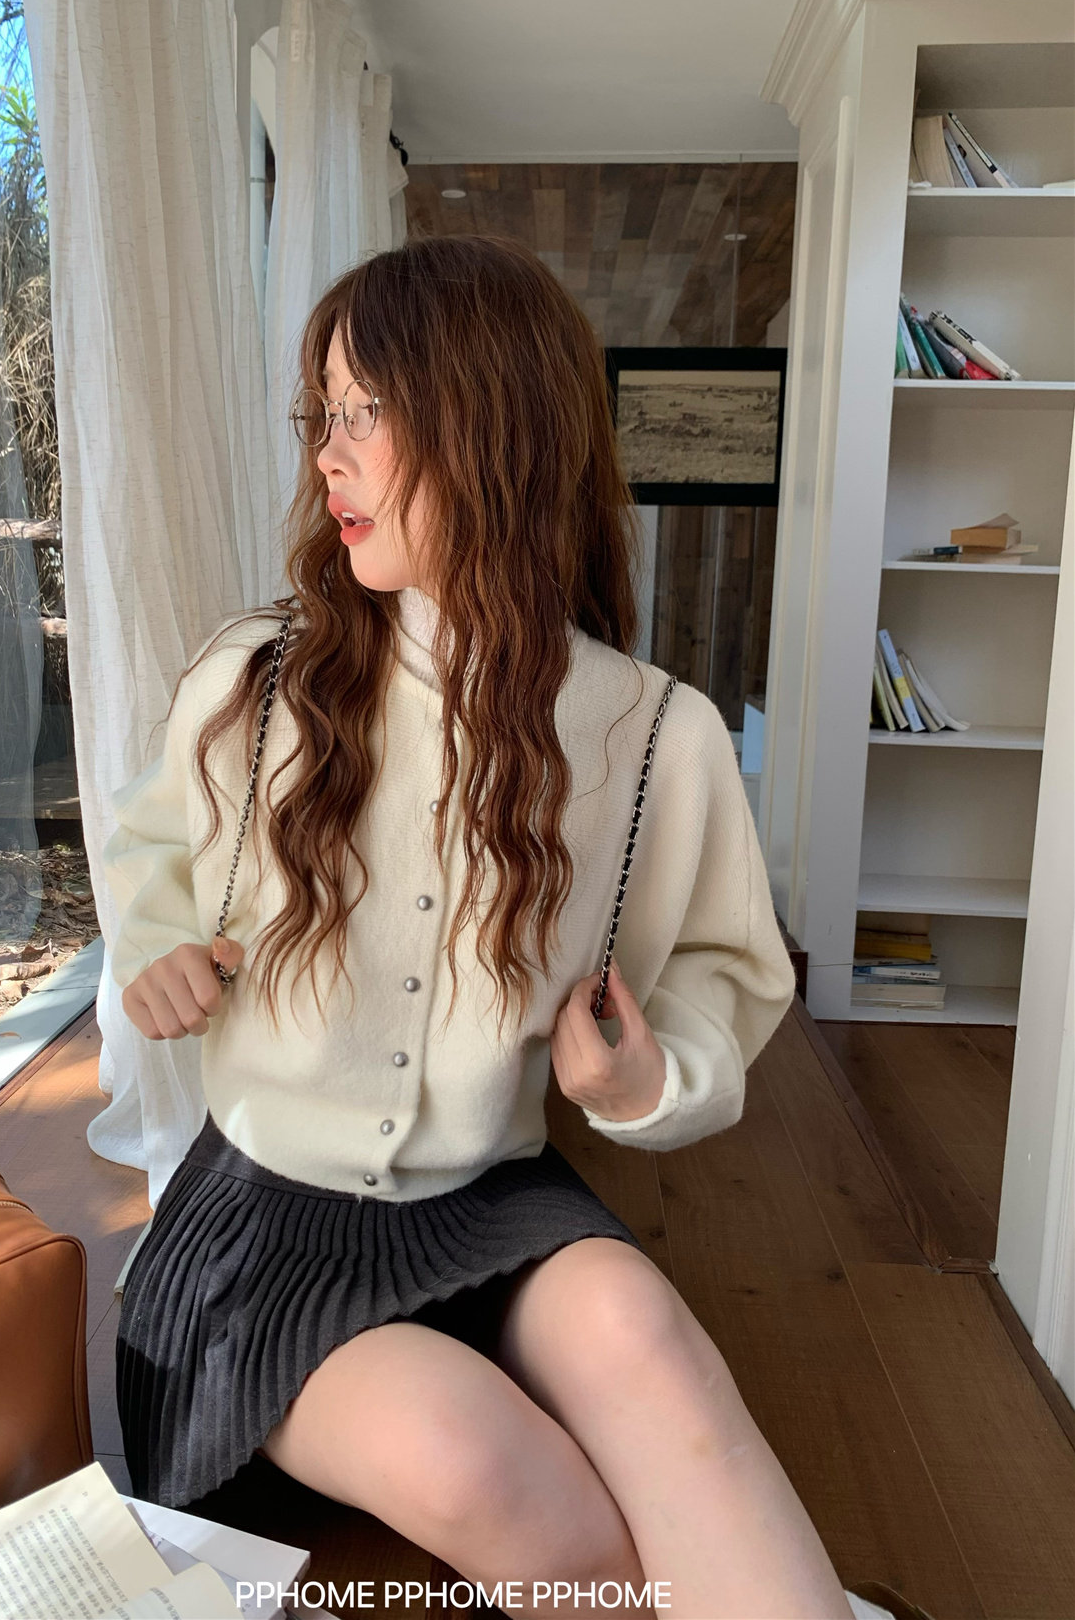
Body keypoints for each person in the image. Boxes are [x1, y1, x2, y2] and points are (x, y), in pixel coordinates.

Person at [107, 235, 902, 1620]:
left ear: (493, 427)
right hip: (266, 1236)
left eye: (365, 413)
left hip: (496, 1199)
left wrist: (648, 1078)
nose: (326, 457)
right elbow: (151, 857)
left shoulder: (655, 736)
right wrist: (158, 960)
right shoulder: (257, 680)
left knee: (649, 1340)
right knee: (510, 1490)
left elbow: (720, 976)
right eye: (323, 414)